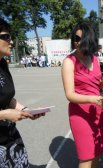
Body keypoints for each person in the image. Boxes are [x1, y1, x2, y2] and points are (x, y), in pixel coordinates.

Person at [61, 22, 103, 168]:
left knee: (97, 151)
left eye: (80, 39)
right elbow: (69, 95)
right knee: (86, 157)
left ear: (89, 40)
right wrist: (93, 99)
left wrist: (102, 82)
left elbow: (95, 87)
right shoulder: (69, 62)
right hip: (80, 114)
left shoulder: (95, 59)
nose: (77, 42)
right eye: (75, 38)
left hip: (97, 112)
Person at [0, 18, 44, 167]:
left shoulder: (2, 63)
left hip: (9, 137)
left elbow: (7, 98)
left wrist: (25, 110)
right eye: (6, 37)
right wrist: (4, 114)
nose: (11, 41)